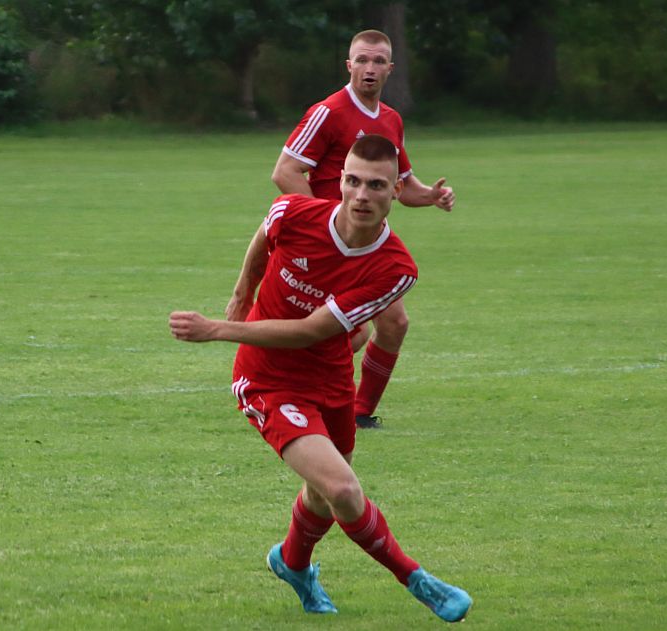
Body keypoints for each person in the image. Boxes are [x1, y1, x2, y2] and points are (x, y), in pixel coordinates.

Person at [169, 135, 472, 623]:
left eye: (376, 185)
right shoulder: (292, 212)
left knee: (323, 493)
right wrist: (241, 294)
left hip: (330, 380)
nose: (360, 195)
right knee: (345, 490)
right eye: (351, 181)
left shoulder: (396, 268)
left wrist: (217, 329)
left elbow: (314, 331)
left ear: (396, 190)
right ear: (339, 182)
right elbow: (263, 240)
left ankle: (292, 563)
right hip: (266, 377)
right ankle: (417, 579)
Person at [271, 29, 455, 429]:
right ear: (349, 65)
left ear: (390, 69)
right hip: (328, 244)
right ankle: (290, 392)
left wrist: (433, 196)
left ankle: (358, 411)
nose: (369, 69)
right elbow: (286, 171)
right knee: (344, 335)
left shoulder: (391, 119)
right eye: (362, 61)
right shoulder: (328, 112)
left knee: (391, 323)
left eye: (378, 62)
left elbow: (404, 186)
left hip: (366, 244)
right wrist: (323, 226)